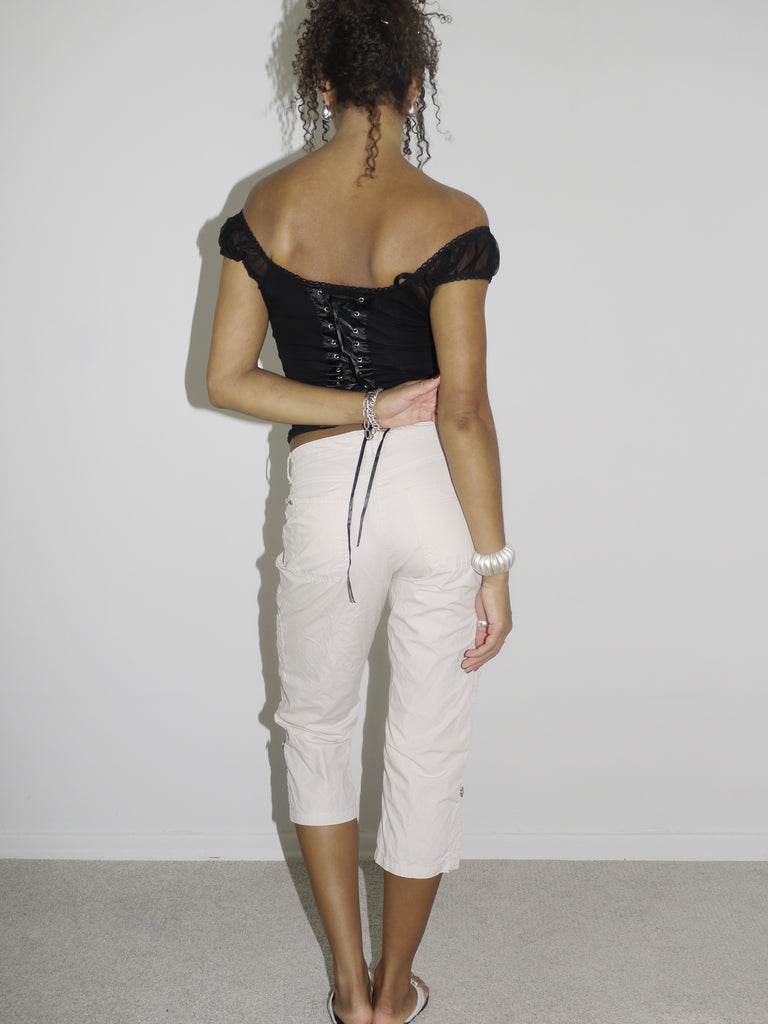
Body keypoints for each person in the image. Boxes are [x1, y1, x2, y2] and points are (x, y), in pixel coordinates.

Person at [207, 2, 513, 1022]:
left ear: (323, 81)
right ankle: (395, 986)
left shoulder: (268, 207)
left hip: (327, 497)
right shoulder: (451, 214)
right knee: (427, 744)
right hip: (435, 500)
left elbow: (229, 379)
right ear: (416, 86)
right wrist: (494, 564)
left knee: (315, 726)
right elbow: (462, 409)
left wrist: (358, 408)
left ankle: (348, 984)